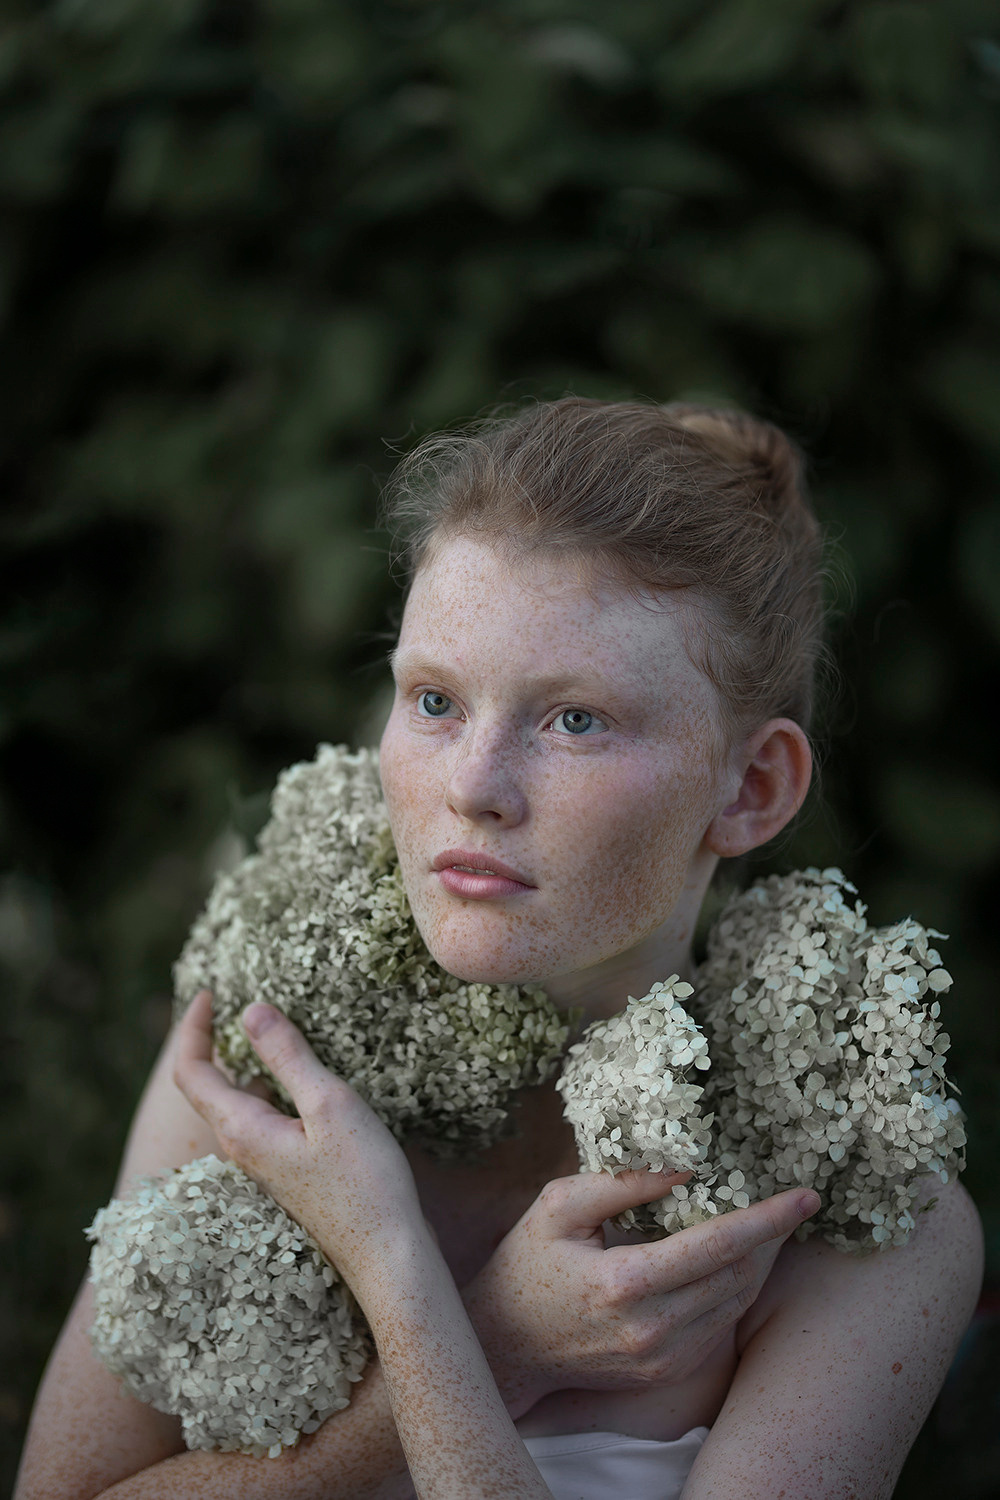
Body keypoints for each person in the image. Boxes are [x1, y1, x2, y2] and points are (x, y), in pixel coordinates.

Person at [15, 398, 983, 1500]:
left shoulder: (860, 1213)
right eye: (435, 700)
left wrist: (401, 1283)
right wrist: (493, 1339)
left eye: (575, 720)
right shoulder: (266, 1068)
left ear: (751, 788)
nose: (472, 786)